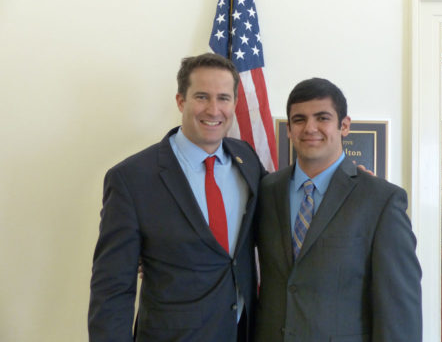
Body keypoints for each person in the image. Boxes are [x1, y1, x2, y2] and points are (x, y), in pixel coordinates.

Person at [88, 53, 265, 342]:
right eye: (201, 97)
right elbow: (112, 288)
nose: (213, 109)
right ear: (181, 101)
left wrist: (351, 179)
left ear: (234, 103)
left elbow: (284, 199)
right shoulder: (131, 178)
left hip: (241, 332)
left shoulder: (247, 158)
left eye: (223, 98)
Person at [254, 78, 422, 342]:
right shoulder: (265, 190)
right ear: (289, 129)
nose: (310, 128)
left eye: (322, 118)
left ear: (344, 126)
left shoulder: (382, 200)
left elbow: (399, 308)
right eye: (299, 119)